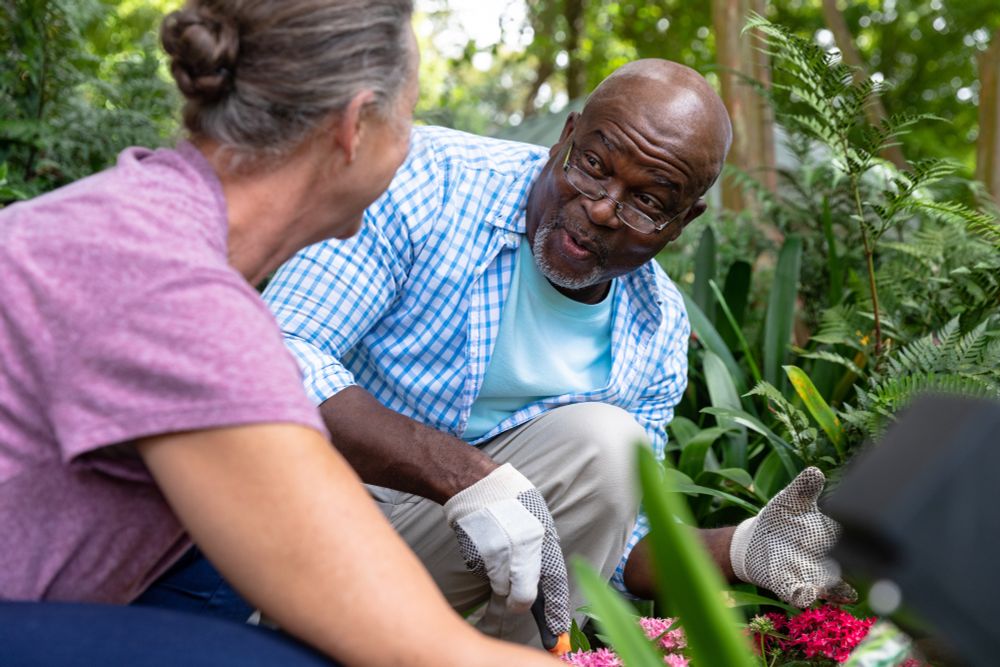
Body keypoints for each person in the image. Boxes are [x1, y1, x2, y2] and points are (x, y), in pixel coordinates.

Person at [0, 1, 559, 665]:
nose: (412, 145)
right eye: (408, 122)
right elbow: (420, 649)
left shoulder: (142, 214)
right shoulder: (174, 289)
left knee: (219, 567)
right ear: (354, 125)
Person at [262, 58, 854, 645]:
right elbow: (277, 357)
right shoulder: (429, 179)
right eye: (594, 165)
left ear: (681, 223)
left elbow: (615, 547)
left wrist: (742, 549)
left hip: (432, 575)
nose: (601, 209)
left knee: (610, 446)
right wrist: (464, 476)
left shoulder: (655, 329)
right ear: (565, 137)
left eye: (648, 202)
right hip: (301, 531)